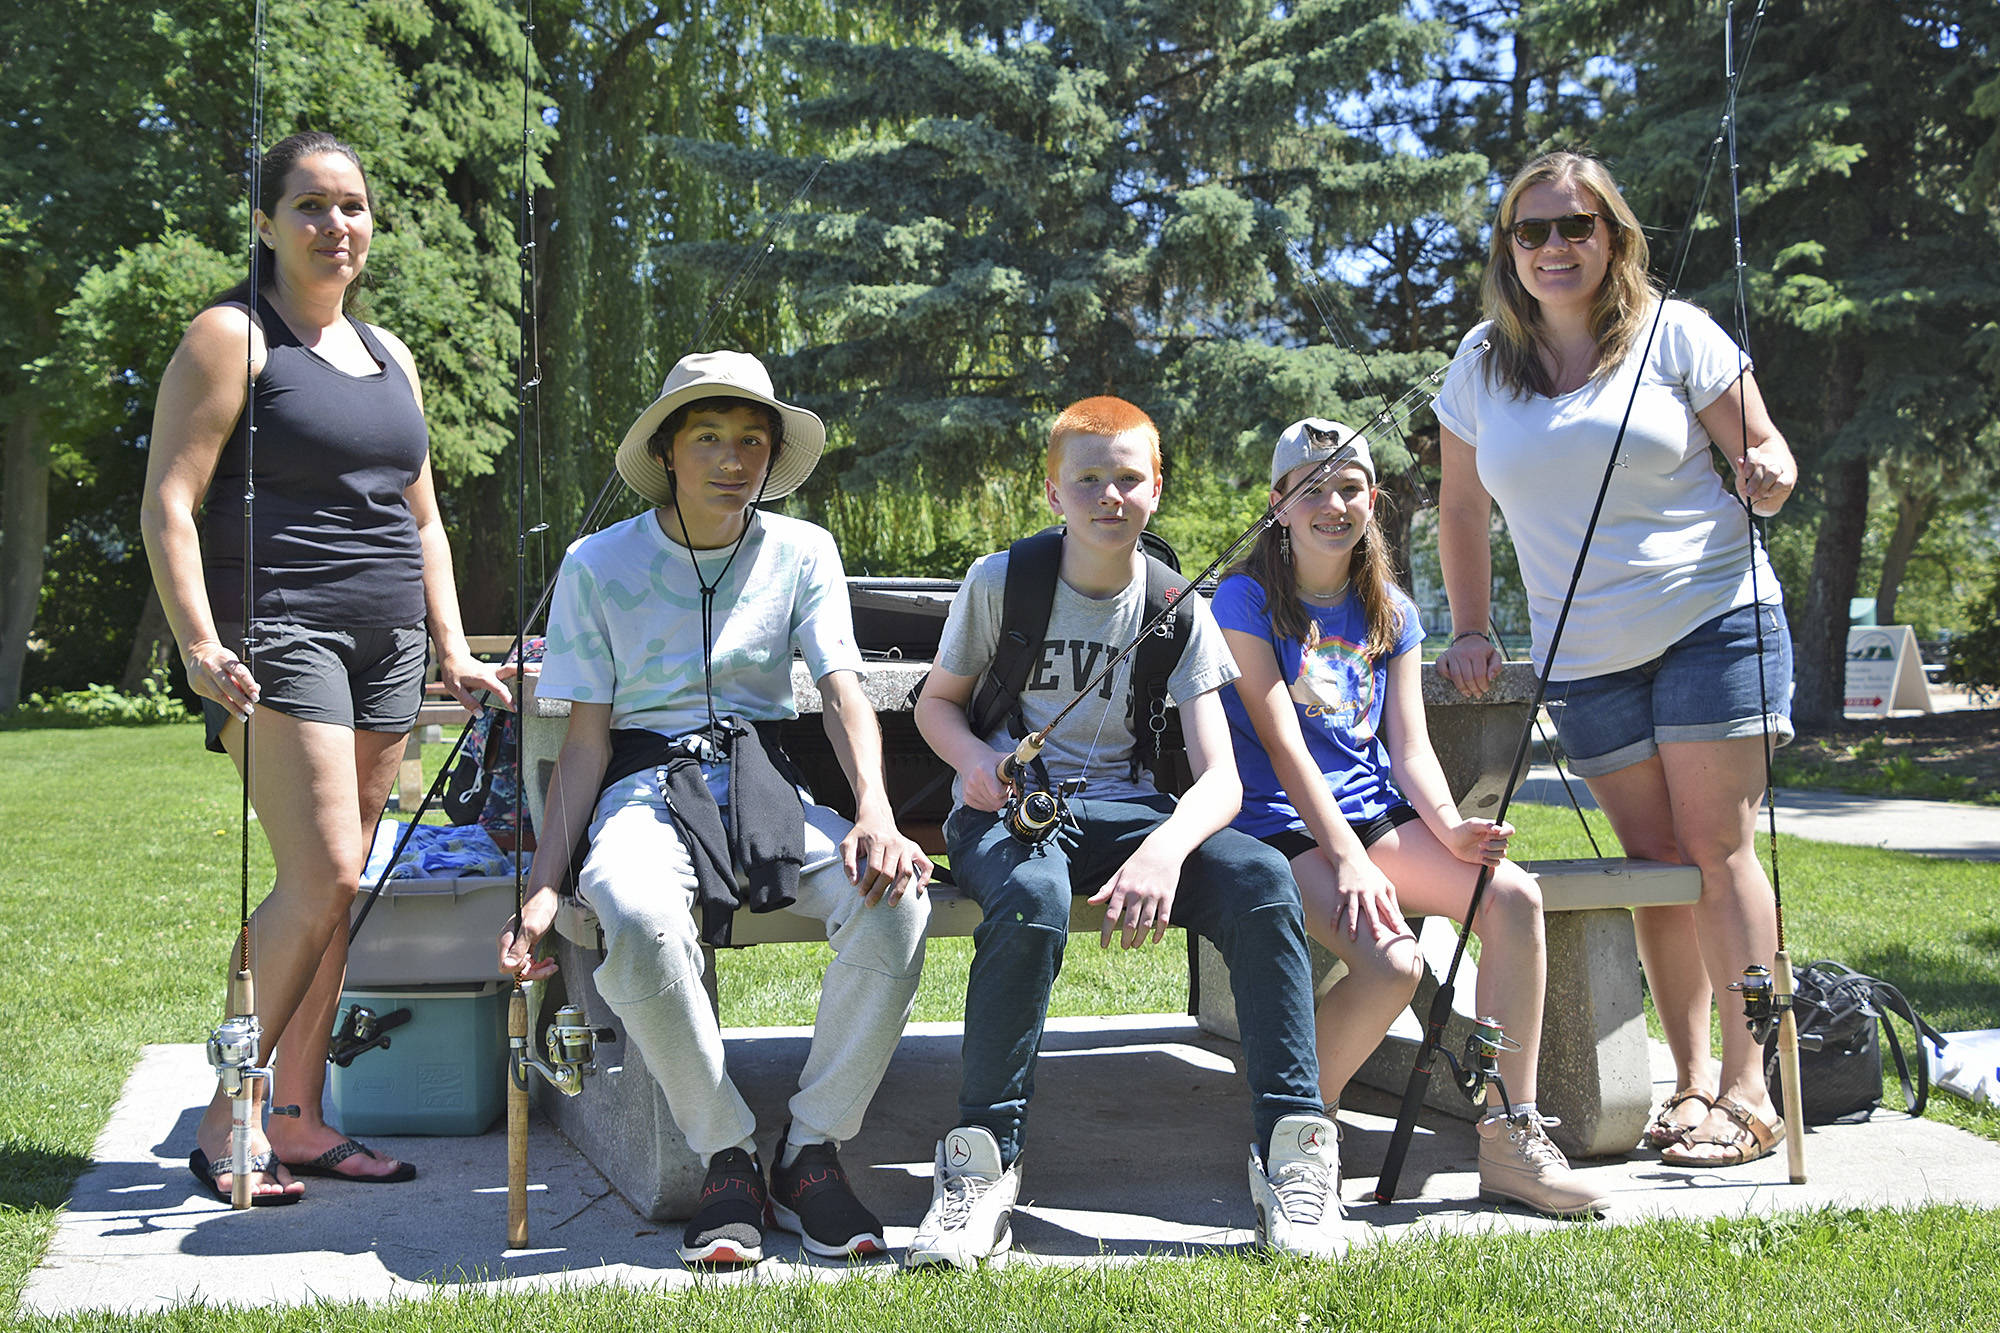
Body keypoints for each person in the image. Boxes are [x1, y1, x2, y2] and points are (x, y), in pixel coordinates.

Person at [497, 350, 931, 1266]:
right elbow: (584, 741)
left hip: (768, 787)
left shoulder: (803, 550)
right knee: (639, 912)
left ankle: (811, 1150)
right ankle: (724, 1152)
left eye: (751, 441)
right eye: (709, 439)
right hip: (644, 790)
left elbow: (846, 691)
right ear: (666, 450)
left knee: (895, 899)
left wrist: (877, 814)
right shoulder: (597, 563)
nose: (733, 460)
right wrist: (543, 886)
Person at [142, 130, 509, 1204]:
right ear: (265, 223)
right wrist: (200, 642)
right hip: (277, 632)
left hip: (388, 639)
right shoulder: (230, 337)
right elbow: (171, 499)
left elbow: (424, 518)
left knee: (343, 894)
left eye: (351, 206)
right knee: (324, 875)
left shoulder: (387, 353)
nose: (334, 225)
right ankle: (229, 1113)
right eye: (308, 205)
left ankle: (299, 1116)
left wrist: (451, 647)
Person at [908, 396, 1341, 1269]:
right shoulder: (1002, 581)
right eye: (1089, 479)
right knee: (1030, 896)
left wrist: (1164, 849)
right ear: (1052, 492)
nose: (1110, 496)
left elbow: (1219, 778)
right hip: (1011, 810)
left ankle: (1295, 1155)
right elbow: (935, 705)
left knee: (1261, 877)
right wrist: (974, 763)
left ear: (1157, 489)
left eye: (1128, 479)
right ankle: (979, 1164)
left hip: (1132, 813)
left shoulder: (1181, 604)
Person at [1433, 151, 1799, 1169]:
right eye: (1530, 230)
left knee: (1714, 848)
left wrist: (1764, 473)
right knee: (1650, 867)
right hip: (1580, 653)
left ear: (1613, 236)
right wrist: (1469, 626)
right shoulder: (1477, 364)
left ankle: (1746, 1085)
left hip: (1710, 619)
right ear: (1507, 249)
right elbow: (1458, 508)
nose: (1553, 246)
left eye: (1574, 226)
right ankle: (1683, 1084)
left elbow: (1765, 456)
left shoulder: (1674, 334)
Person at [1215, 418, 1607, 1217]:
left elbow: (1409, 746)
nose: (1333, 502)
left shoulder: (1390, 607)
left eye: (1349, 486)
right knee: (1393, 965)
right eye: (1312, 487)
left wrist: (1450, 826)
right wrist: (1350, 860)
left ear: (1374, 499)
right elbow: (1282, 743)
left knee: (1513, 896)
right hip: (1277, 824)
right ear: (1278, 504)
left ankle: (1509, 1135)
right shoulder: (1245, 597)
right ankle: (1294, 1130)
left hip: (1374, 819)